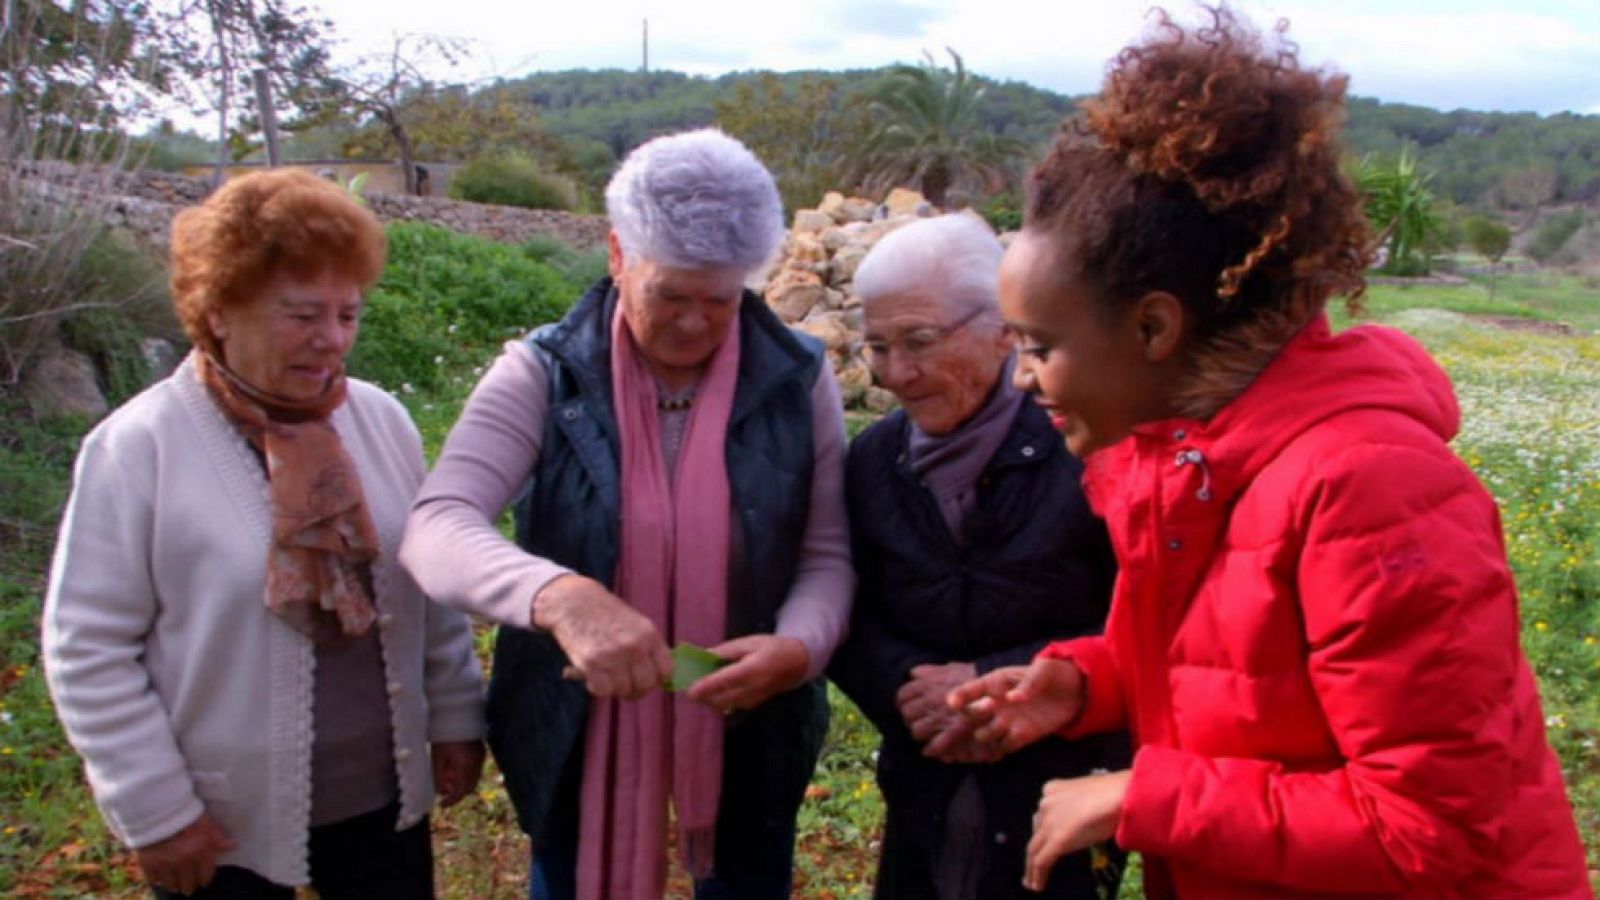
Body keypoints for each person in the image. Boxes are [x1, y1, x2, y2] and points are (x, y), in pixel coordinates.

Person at [948, 8, 1592, 899]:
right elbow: (1245, 677)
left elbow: (1435, 831)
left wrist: (1145, 795)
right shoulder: (1182, 462)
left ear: (1153, 327)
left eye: (1040, 346)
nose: (1022, 380)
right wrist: (1090, 682)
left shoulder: (1370, 488)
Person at [400, 128, 853, 900]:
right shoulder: (545, 374)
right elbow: (438, 523)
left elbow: (826, 552)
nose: (694, 324)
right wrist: (559, 597)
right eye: (669, 295)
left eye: (720, 301)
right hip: (576, 732)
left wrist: (798, 647)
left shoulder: (796, 378)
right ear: (617, 254)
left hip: (750, 733)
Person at [41, 168, 487, 899]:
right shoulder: (138, 448)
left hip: (382, 799)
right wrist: (155, 812)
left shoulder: (381, 421)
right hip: (221, 821)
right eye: (302, 315)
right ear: (219, 311)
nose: (331, 340)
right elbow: (88, 647)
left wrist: (456, 714)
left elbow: (425, 582)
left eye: (348, 314)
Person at [829, 214, 1126, 900]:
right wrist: (909, 689)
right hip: (922, 775)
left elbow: (1141, 615)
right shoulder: (874, 459)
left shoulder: (1084, 445)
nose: (897, 373)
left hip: (1060, 786)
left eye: (920, 341)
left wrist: (988, 686)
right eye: (878, 347)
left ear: (1003, 328)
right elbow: (850, 604)